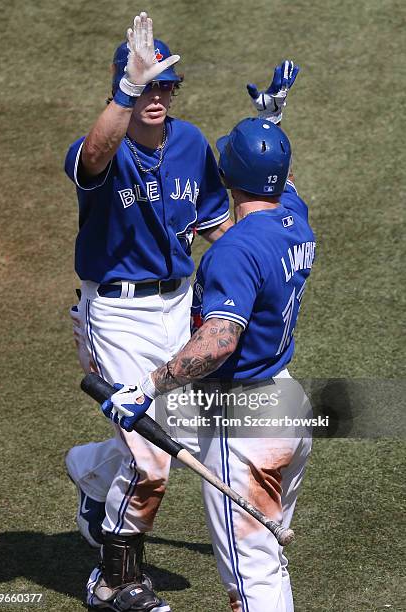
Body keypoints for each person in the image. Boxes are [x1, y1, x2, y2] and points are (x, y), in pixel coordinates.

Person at [100, 69, 316, 610]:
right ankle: (91, 468)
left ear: (228, 172)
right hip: (287, 408)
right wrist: (270, 123)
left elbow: (218, 341)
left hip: (242, 424)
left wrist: (147, 385)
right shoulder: (296, 218)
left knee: (252, 575)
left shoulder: (234, 251)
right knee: (269, 555)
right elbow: (280, 179)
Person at [64, 11, 233, 611]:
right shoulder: (101, 148)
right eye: (147, 84)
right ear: (125, 86)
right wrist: (126, 92)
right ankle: (113, 582)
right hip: (116, 313)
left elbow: (217, 225)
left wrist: (265, 249)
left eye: (166, 84)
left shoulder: (191, 145)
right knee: (151, 460)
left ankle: (91, 474)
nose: (158, 96)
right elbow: (91, 160)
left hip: (177, 308)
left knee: (172, 433)